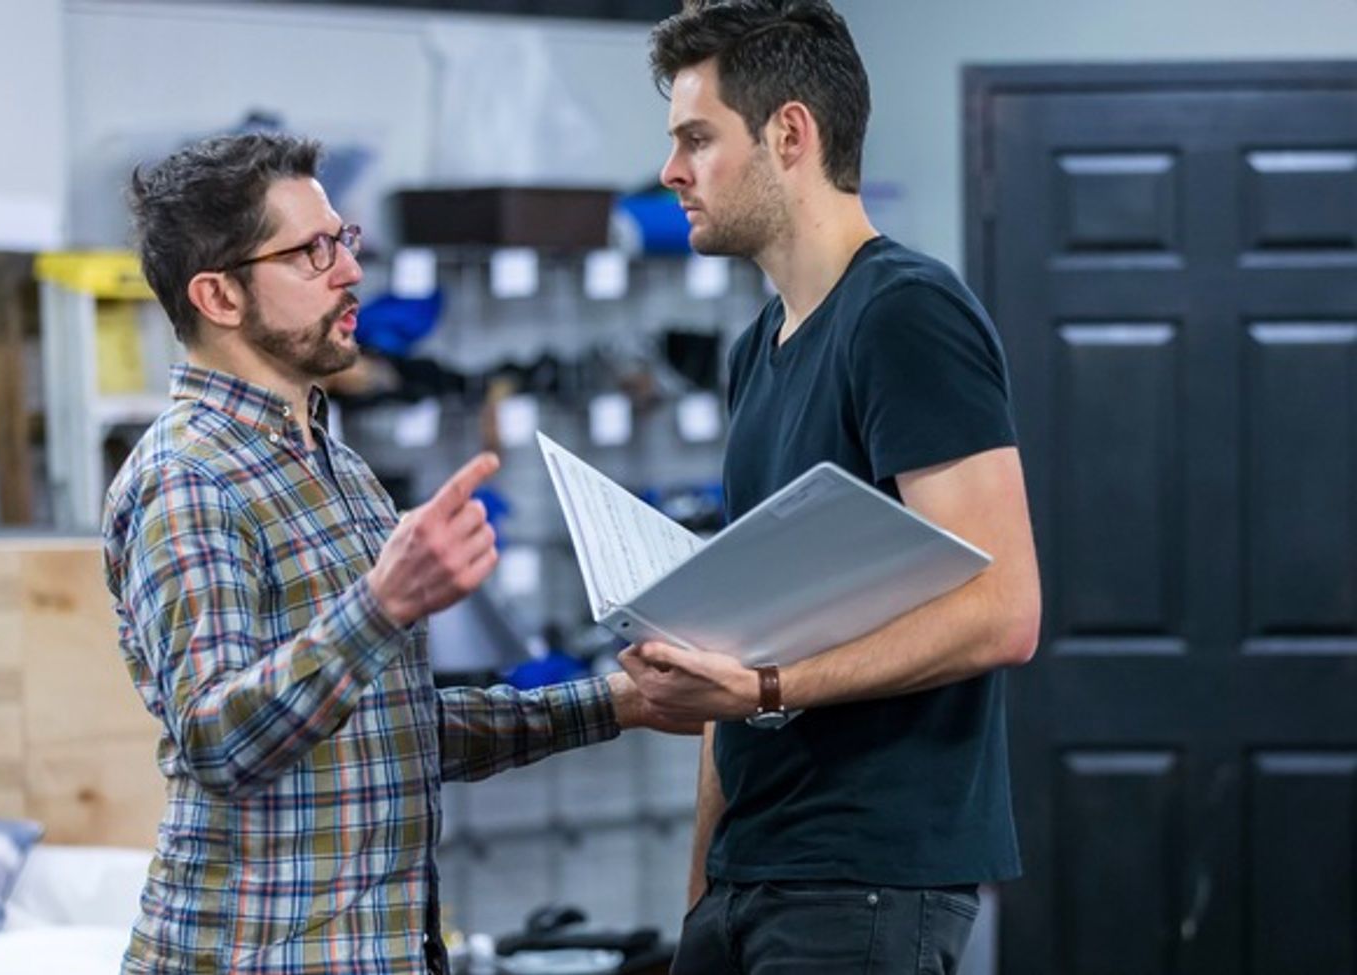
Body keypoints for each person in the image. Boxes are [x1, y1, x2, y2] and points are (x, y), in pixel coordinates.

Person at [103, 132, 680, 975]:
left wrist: (618, 702)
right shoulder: (189, 477)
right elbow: (220, 739)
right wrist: (382, 604)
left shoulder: (336, 467)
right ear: (218, 295)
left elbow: (388, 734)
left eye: (343, 240)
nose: (349, 271)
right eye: (310, 252)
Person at [617, 2, 1042, 973]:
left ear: (789, 134)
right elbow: (736, 638)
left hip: (865, 879)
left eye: (696, 139)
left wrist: (766, 688)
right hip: (751, 873)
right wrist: (702, 890)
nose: (670, 171)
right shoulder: (752, 352)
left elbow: (1005, 611)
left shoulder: (905, 313)